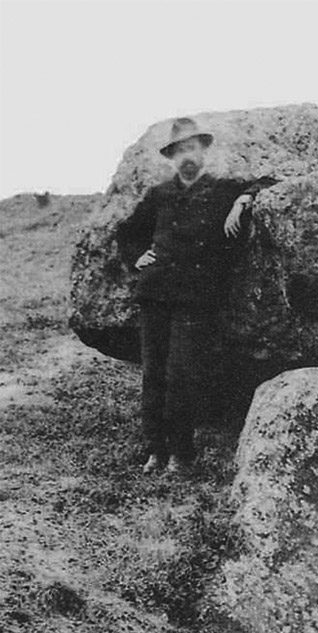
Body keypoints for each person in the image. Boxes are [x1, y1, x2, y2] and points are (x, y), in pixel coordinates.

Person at [115, 117, 277, 474]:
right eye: (179, 151)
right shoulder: (159, 195)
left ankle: (181, 455)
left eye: (192, 148)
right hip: (155, 294)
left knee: (181, 375)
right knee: (154, 374)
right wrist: (137, 257)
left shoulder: (221, 190)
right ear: (171, 157)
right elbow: (128, 232)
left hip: (196, 298)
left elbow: (267, 181)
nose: (186, 156)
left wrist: (242, 202)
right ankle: (155, 450)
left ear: (204, 150)